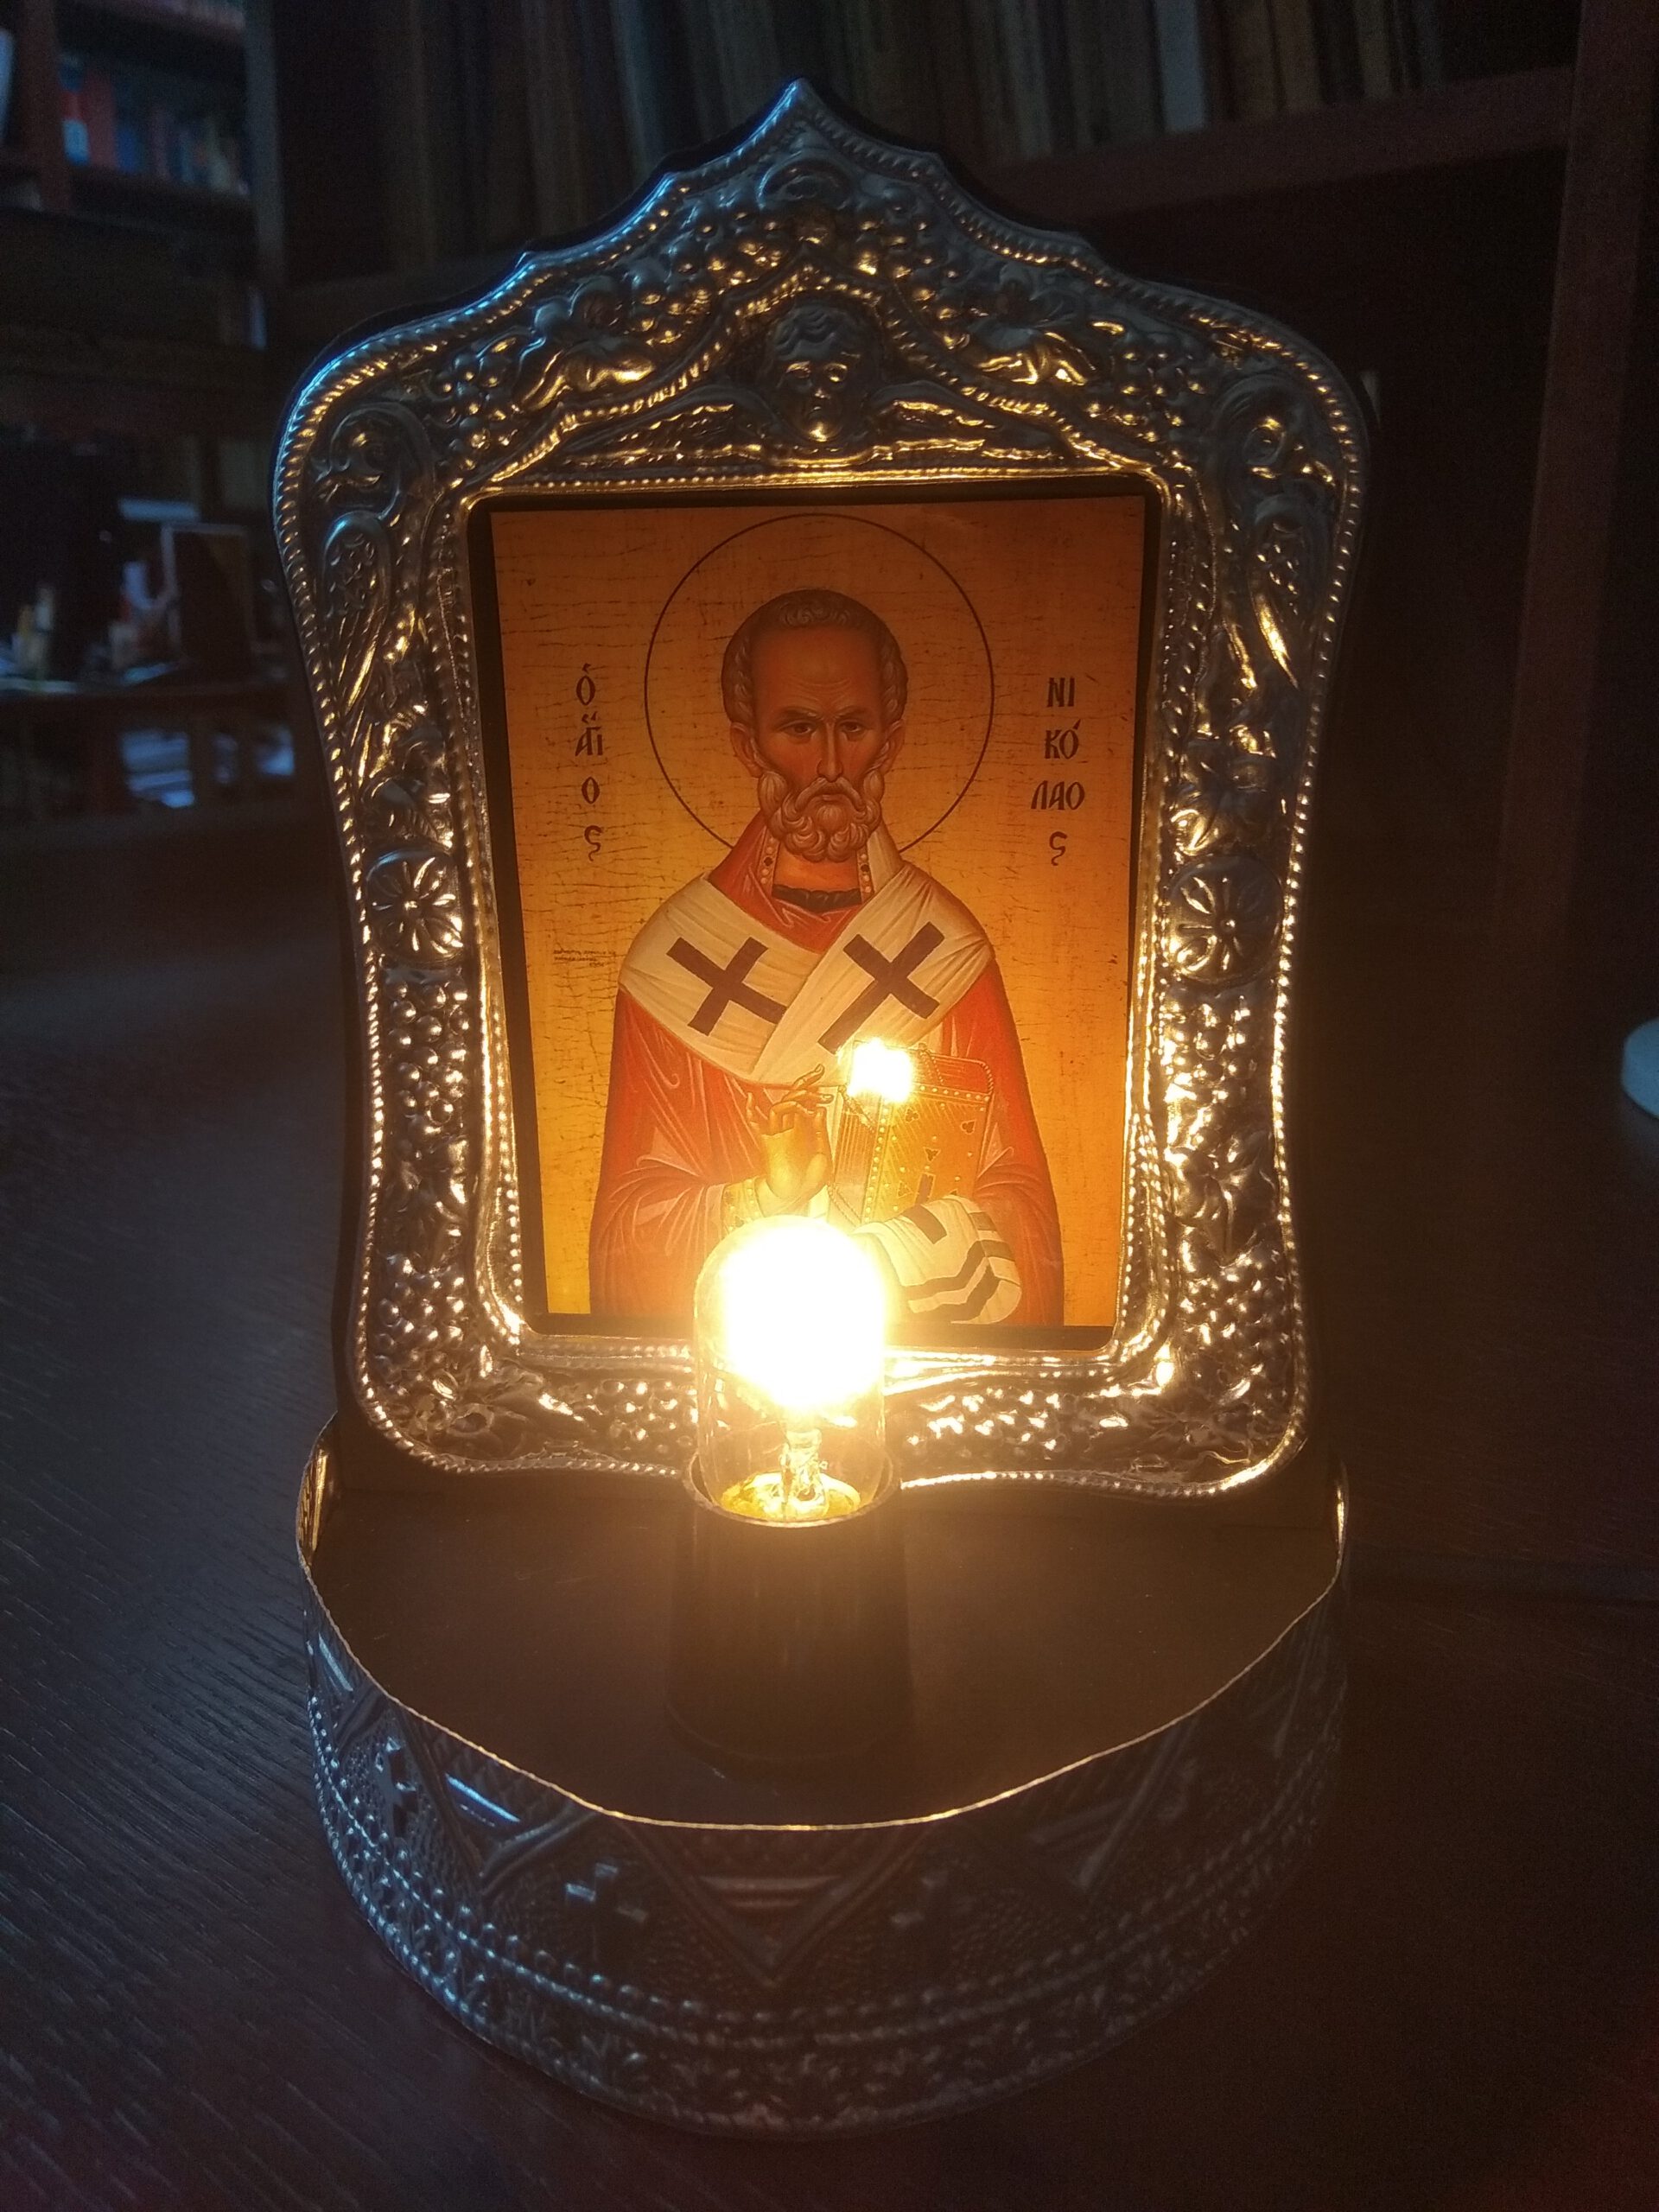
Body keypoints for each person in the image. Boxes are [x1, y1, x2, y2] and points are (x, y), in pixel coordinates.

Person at [589, 588, 1062, 1325]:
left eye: (853, 727)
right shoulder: (675, 965)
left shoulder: (943, 952)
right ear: (749, 745)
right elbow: (627, 1239)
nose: (831, 763)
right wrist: (765, 1199)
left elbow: (1023, 1215)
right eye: (799, 728)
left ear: (889, 743)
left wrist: (887, 1254)